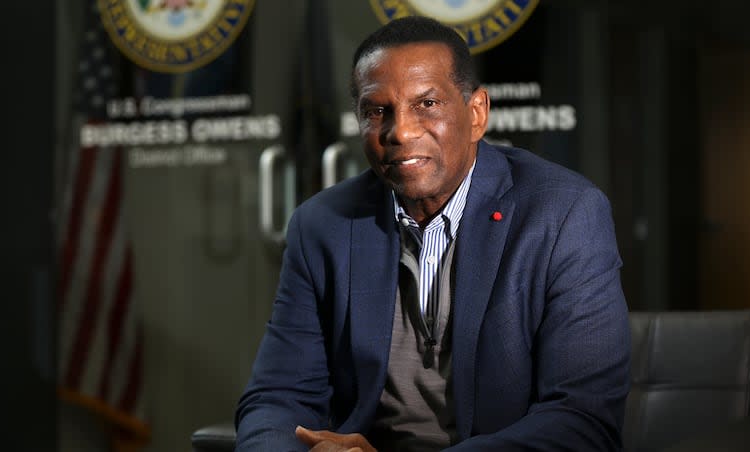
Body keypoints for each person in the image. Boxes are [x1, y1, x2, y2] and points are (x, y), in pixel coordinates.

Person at [235, 15, 630, 452]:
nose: (399, 132)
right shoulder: (323, 226)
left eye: (427, 104)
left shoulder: (564, 214)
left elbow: (581, 419)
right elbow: (277, 397)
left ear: (476, 114)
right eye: (377, 110)